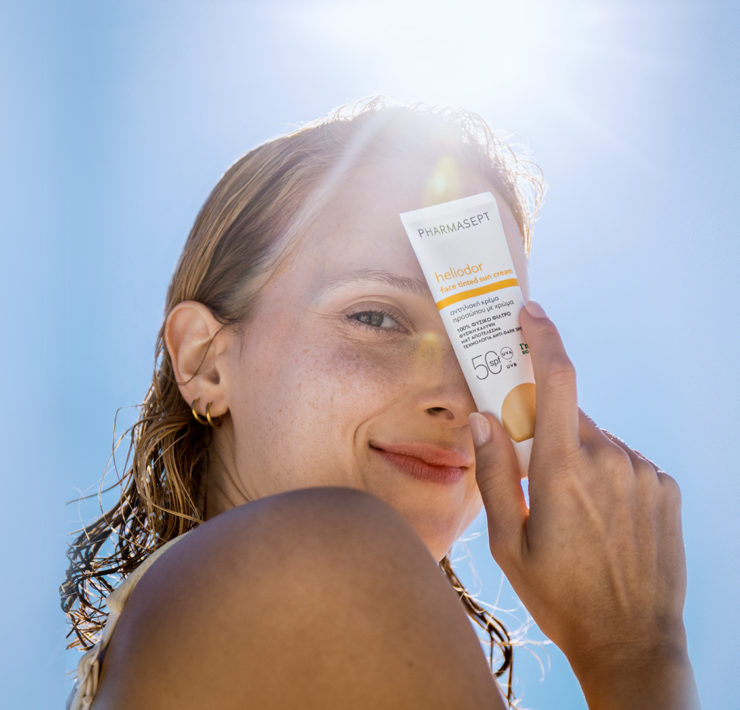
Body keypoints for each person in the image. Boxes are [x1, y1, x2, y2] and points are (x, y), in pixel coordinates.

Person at [62, 98, 701, 709]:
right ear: (205, 360)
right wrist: (637, 652)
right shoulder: (325, 553)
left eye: (487, 342)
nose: (460, 400)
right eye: (375, 317)